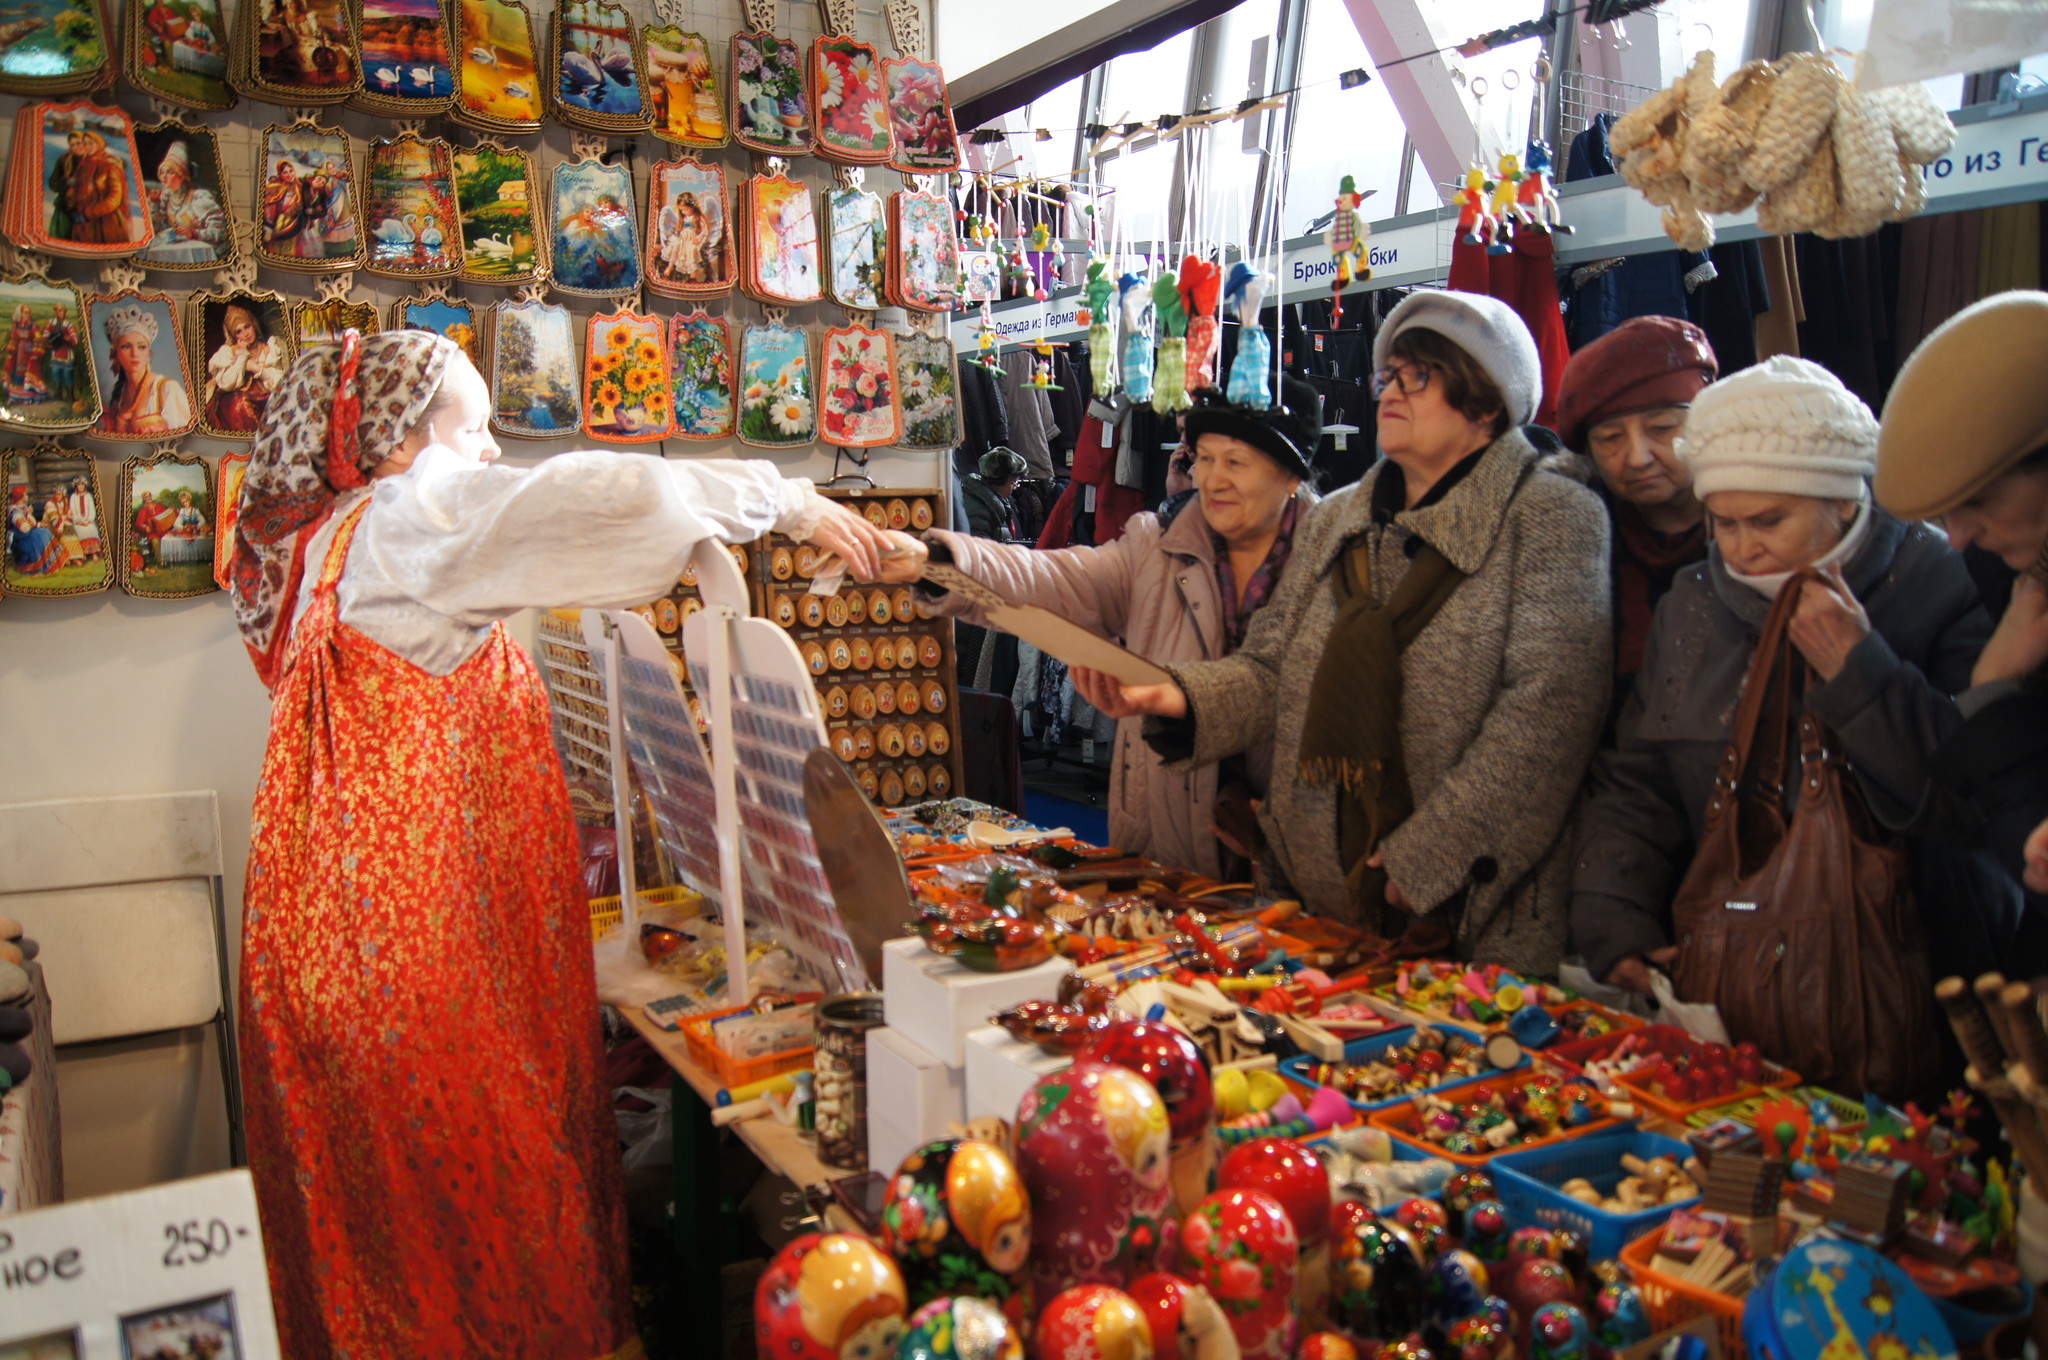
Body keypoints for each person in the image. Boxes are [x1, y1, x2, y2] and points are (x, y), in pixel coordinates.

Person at [227, 329, 890, 1359]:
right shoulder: (403, 518)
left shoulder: (333, 546)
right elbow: (608, 498)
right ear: (395, 444)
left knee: (393, 1259)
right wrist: (790, 500)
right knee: (490, 1237)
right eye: (474, 428)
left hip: (340, 951)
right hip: (416, 972)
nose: (490, 453)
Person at [1076, 294, 1612, 972]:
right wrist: (1170, 694)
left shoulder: (1553, 515)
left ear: (1486, 403)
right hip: (1312, 899)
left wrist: (1422, 863)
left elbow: (1546, 720)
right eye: (1388, 376)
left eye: (1419, 376)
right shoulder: (1338, 519)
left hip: (1462, 915)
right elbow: (1272, 665)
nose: (1391, 391)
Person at [1571, 356, 1990, 1093]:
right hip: (1736, 983)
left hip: (1919, 993)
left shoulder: (1944, 583)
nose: (1741, 547)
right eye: (1722, 522)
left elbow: (1978, 800)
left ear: (1842, 501)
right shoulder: (1694, 601)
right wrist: (1615, 914)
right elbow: (1639, 778)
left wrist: (1861, 669)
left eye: (1768, 521)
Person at [889, 386, 1321, 877]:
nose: (1214, 478)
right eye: (1204, 458)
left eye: (1236, 462)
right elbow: (1055, 578)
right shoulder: (1156, 546)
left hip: (1286, 847)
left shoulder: (1334, 565)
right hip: (1165, 837)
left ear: (1289, 477)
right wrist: (938, 564)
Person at [1876, 289, 2048, 973]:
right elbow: (2005, 830)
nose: (1959, 537)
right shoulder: (2012, 573)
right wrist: (1993, 695)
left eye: (1978, 501)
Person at [1555, 316, 1718, 729]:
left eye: (1662, 428)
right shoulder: (1574, 544)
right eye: (1610, 438)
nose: (1638, 456)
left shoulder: (1765, 528)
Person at [96, 304, 192, 437]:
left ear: (148, 352)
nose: (134, 354)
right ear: (115, 353)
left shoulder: (167, 389)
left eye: (141, 347)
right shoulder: (120, 392)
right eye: (126, 347)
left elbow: (186, 439)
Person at [204, 303, 286, 433]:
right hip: (234, 398)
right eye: (239, 331)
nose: (245, 334)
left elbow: (281, 382)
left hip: (265, 398)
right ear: (234, 336)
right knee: (240, 405)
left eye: (247, 326)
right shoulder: (229, 353)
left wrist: (257, 369)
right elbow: (228, 384)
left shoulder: (269, 349)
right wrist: (242, 357)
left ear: (254, 325)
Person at [145, 140, 230, 261]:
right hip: (176, 253)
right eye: (162, 172)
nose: (163, 176)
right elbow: (156, 230)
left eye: (170, 172)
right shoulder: (165, 197)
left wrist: (194, 233)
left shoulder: (199, 198)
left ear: (181, 176)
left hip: (204, 255)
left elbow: (221, 231)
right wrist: (154, 203)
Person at [49, 127, 130, 244]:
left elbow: (114, 199)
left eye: (91, 143)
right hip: (83, 225)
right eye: (85, 143)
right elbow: (72, 189)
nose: (87, 146)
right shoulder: (81, 164)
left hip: (105, 223)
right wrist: (72, 206)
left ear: (99, 143)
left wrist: (88, 213)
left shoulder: (110, 165)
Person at [962, 446, 1026, 543]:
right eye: (1013, 483)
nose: (1016, 487)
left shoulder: (996, 502)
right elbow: (982, 549)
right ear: (1000, 480)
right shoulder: (978, 509)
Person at [6, 486, 59, 575]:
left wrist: (39, 524)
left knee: (44, 531)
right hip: (21, 539)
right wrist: (29, 514)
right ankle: (39, 566)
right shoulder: (14, 512)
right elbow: (24, 528)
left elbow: (32, 522)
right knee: (42, 535)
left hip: (27, 535)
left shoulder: (22, 507)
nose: (27, 496)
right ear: (20, 497)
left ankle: (50, 563)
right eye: (25, 494)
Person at [260, 159, 306, 256]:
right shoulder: (276, 188)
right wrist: (268, 228)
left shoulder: (299, 186)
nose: (289, 175)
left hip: (295, 226)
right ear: (280, 174)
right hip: (280, 225)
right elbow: (269, 208)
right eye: (285, 172)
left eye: (291, 171)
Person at [42, 302, 77, 405]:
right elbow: (46, 333)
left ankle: (70, 396)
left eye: (63, 310)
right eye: (60, 310)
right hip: (56, 352)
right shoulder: (51, 322)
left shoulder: (69, 324)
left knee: (67, 374)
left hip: (66, 352)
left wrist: (69, 338)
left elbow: (74, 338)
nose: (62, 313)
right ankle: (58, 394)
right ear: (56, 311)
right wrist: (47, 341)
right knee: (56, 372)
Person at [66, 476, 100, 562]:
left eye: (82, 485)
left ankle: (93, 553)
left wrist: (89, 520)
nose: (80, 487)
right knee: (80, 530)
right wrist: (78, 521)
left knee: (91, 529)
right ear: (76, 486)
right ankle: (83, 552)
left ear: (85, 486)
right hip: (79, 521)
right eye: (78, 485)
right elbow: (72, 510)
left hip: (88, 521)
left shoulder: (88, 496)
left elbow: (92, 509)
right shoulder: (73, 497)